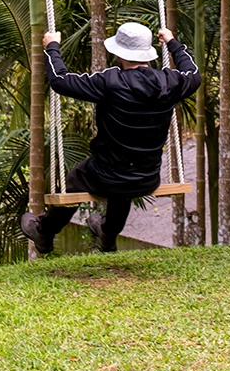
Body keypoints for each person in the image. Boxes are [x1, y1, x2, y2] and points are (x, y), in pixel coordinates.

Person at [20, 21, 200, 254]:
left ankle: (44, 231)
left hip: (106, 176)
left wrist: (52, 47)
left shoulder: (110, 82)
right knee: (122, 178)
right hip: (147, 178)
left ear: (117, 53)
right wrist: (172, 42)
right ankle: (108, 233)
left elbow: (60, 81)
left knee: (79, 177)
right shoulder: (170, 81)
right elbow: (193, 74)